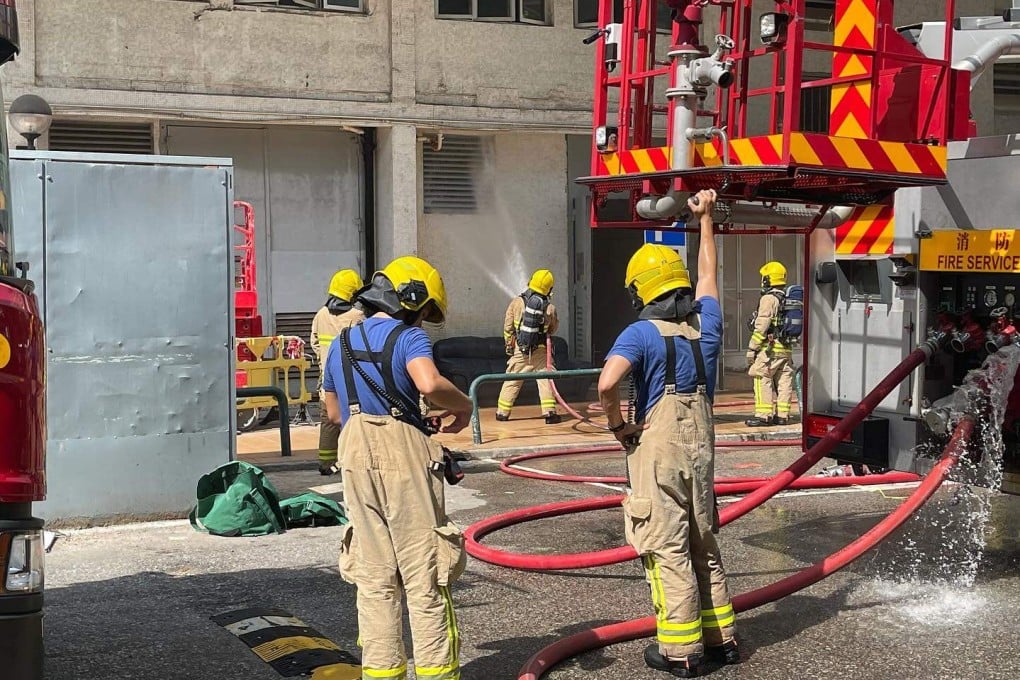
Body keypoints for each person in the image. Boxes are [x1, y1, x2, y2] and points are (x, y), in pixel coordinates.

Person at [598, 189, 739, 678]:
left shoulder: (639, 334)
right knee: (704, 540)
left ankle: (681, 651)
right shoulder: (709, 325)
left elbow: (607, 383)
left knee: (668, 546)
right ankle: (723, 639)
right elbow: (708, 276)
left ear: (640, 290)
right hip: (701, 449)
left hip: (657, 449)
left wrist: (619, 427)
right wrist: (704, 221)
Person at [322, 255, 472, 680]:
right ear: (411, 300)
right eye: (424, 312)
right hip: (402, 452)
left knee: (374, 576)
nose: (424, 321)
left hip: (352, 450)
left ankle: (383, 673)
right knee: (424, 568)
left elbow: (333, 413)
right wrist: (465, 404)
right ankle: (436, 673)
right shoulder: (409, 339)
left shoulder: (341, 343)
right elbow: (427, 383)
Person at [310, 269, 365, 475]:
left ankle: (326, 464)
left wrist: (324, 361)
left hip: (328, 380)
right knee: (355, 419)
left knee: (328, 421)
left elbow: (314, 344)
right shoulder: (358, 316)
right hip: (353, 379)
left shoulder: (321, 314)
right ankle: (350, 461)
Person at [495, 269, 562, 424]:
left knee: (512, 380)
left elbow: (508, 327)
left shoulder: (516, 303)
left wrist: (509, 345)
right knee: (545, 380)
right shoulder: (550, 308)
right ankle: (549, 413)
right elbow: (552, 329)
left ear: (530, 281)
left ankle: (502, 413)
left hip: (520, 350)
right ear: (549, 289)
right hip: (540, 352)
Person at [745, 261, 795, 427]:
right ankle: (783, 416)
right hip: (786, 349)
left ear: (767, 279)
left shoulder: (768, 298)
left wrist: (752, 347)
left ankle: (763, 415)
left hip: (770, 350)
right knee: (784, 382)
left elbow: (762, 325)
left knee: (761, 377)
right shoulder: (786, 297)